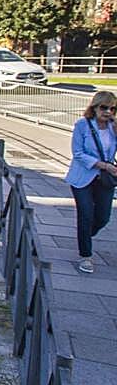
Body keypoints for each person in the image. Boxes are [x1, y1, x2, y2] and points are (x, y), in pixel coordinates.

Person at [66, 90, 117, 273]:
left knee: (103, 217)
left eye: (113, 108)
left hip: (105, 179)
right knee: (85, 214)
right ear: (94, 107)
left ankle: (86, 234)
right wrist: (103, 165)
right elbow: (78, 153)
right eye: (104, 107)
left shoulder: (113, 127)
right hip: (83, 176)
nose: (108, 112)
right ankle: (85, 256)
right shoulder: (82, 125)